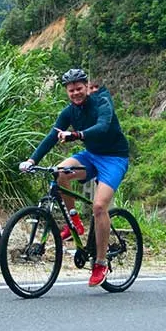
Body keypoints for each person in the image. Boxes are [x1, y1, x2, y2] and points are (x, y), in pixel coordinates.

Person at [19, 68, 129, 287]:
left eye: (79, 88)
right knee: (59, 172)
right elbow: (52, 136)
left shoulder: (102, 101)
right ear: (66, 92)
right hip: (90, 156)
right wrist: (32, 161)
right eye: (71, 90)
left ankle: (100, 262)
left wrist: (77, 135)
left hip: (114, 158)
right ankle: (74, 221)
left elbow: (103, 126)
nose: (76, 93)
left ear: (87, 87)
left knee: (99, 207)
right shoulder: (69, 112)